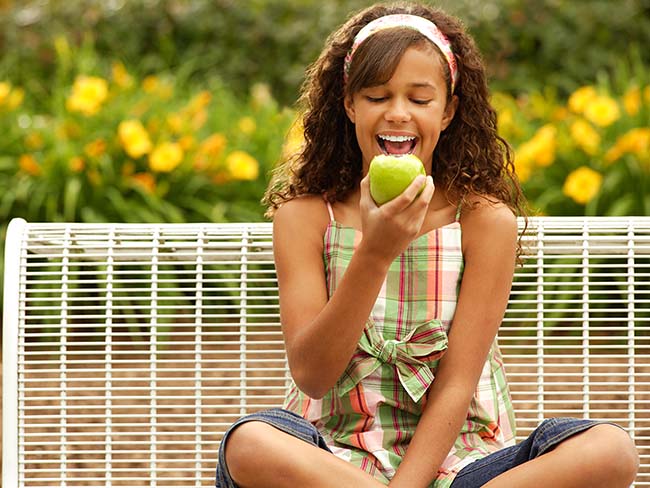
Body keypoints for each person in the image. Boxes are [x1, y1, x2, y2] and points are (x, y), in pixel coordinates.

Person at [216, 2, 639, 487]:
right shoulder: (307, 217)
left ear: (449, 110)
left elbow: (458, 383)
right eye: (377, 96)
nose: (398, 113)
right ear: (349, 104)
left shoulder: (483, 222)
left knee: (611, 451)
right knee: (249, 444)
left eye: (420, 99)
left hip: (461, 462)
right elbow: (312, 376)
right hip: (332, 456)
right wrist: (374, 254)